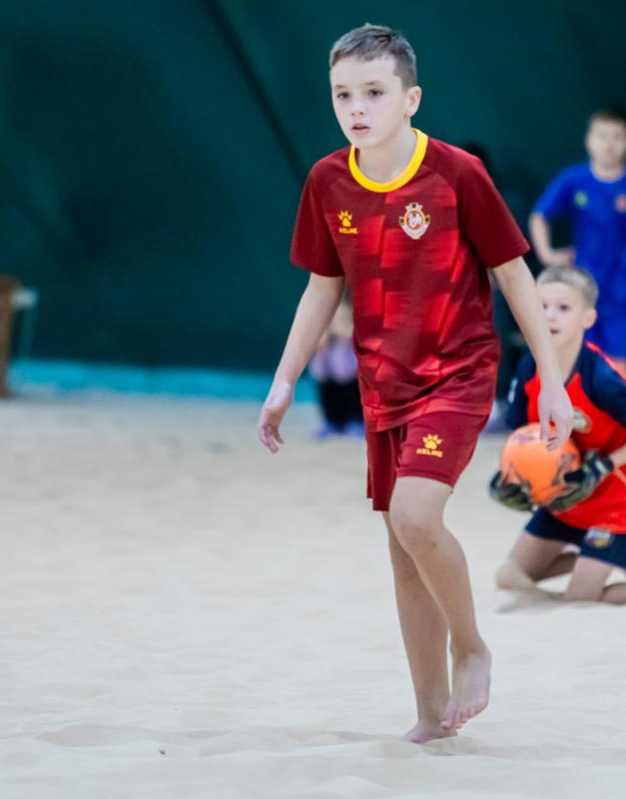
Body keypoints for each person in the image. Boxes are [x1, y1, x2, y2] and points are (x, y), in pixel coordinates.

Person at [256, 24, 573, 743]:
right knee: (403, 551)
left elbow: (514, 274)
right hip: (382, 384)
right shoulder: (327, 180)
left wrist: (550, 379)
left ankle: (473, 647)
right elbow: (321, 289)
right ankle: (432, 717)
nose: (356, 108)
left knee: (417, 516)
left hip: (459, 372)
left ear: (411, 98)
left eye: (373, 92)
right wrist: (284, 380)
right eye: (342, 94)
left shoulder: (458, 173)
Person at [491, 266, 626, 604]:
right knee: (508, 578)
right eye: (541, 306)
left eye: (563, 308)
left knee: (579, 599)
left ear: (588, 318)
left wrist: (602, 466)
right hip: (564, 494)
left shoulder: (601, 378)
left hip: (616, 499)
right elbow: (522, 435)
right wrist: (513, 474)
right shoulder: (528, 367)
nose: (549, 315)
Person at [529, 110, 626, 373]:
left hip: (623, 292)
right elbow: (539, 216)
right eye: (602, 136)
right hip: (582, 288)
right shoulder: (574, 180)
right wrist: (547, 254)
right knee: (577, 360)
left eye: (617, 137)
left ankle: (618, 402)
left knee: (619, 365)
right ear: (589, 140)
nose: (609, 144)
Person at [309, 299, 364, 438]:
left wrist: (343, 333)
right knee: (327, 392)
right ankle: (331, 422)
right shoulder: (319, 317)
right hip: (327, 371)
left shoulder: (347, 312)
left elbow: (350, 332)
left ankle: (355, 422)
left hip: (349, 371)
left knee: (350, 391)